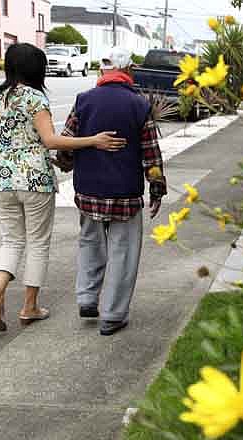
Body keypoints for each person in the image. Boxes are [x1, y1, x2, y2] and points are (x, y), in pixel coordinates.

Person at [0, 43, 126, 332]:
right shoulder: (35, 98)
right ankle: (29, 307)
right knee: (37, 243)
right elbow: (50, 140)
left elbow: (18, 141)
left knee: (11, 241)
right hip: (34, 180)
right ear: (36, 69)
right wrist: (93, 140)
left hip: (1, 179)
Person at [55, 47, 167, 336]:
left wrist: (68, 162)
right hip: (125, 193)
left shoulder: (84, 101)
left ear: (103, 71)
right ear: (128, 70)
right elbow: (150, 153)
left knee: (90, 243)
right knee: (123, 252)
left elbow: (66, 143)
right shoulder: (139, 105)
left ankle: (87, 298)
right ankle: (113, 315)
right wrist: (156, 188)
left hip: (89, 191)